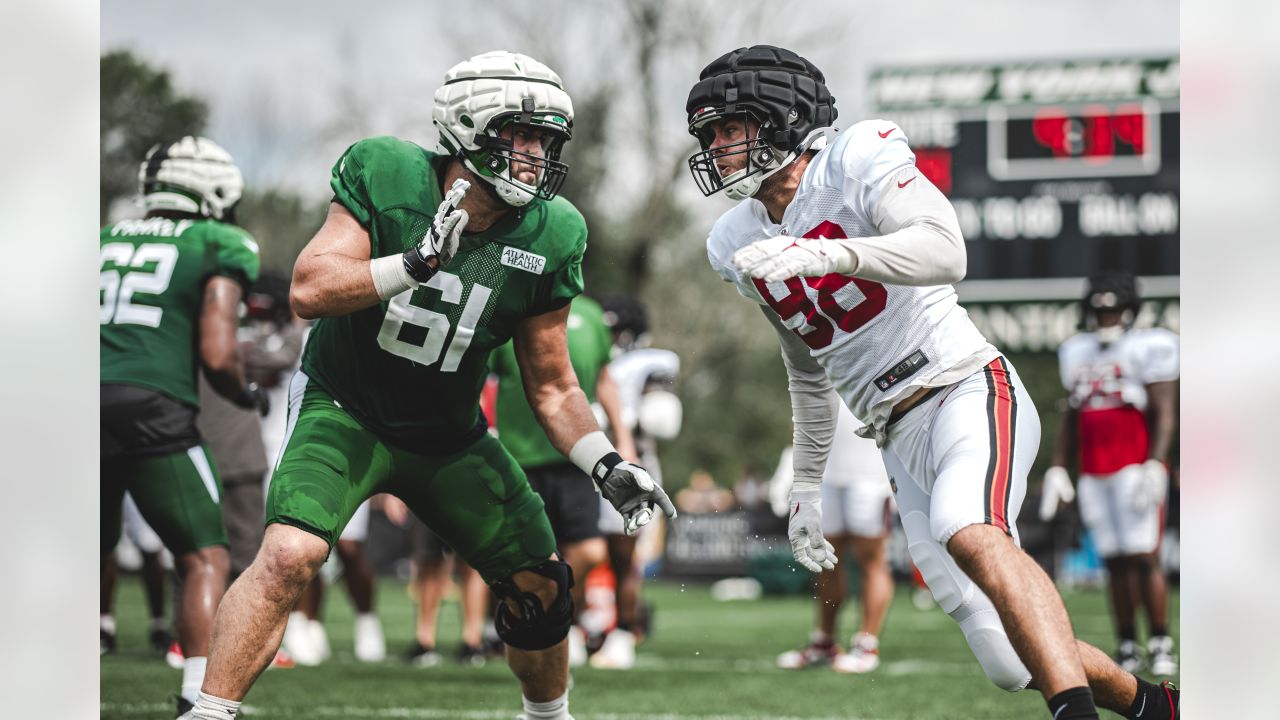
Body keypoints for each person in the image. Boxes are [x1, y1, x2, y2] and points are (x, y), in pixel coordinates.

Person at [687, 45, 1178, 719]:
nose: (715, 148)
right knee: (1010, 662)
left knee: (967, 526)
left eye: (727, 128)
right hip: (892, 432)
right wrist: (805, 486)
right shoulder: (734, 239)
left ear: (781, 118)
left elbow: (948, 251)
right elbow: (808, 369)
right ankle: (1162, 708)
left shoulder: (855, 157)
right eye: (708, 135)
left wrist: (825, 250)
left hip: (961, 388)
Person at [180, 51, 674, 720]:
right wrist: (409, 265)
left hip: (447, 432)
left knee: (541, 585)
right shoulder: (389, 173)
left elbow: (554, 385)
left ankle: (550, 718)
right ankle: (207, 712)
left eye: (546, 140)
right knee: (289, 554)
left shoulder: (556, 232)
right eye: (520, 133)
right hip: (345, 406)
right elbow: (308, 288)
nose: (535, 153)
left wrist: (608, 463)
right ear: (468, 125)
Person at [101, 136, 268, 716]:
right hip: (154, 410)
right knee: (202, 553)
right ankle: (199, 693)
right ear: (217, 191)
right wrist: (244, 393)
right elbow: (219, 352)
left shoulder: (98, 239)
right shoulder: (218, 240)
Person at [1040, 272, 1179, 676]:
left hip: (1134, 465)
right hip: (1094, 471)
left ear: (1131, 311)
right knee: (1114, 560)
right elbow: (1073, 411)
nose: (1106, 319)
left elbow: (1165, 411)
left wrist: (1155, 461)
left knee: (1144, 556)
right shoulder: (1076, 351)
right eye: (1099, 312)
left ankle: (1159, 640)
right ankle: (1127, 644)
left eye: (1114, 310)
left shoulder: (1151, 346)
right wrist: (1058, 467)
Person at [489, 294, 634, 668]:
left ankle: (563, 616)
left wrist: (624, 440)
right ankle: (534, 630)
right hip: (519, 459)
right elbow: (480, 380)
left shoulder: (591, 315)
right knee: (530, 556)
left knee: (588, 552)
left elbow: (604, 378)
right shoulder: (508, 310)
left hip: (574, 456)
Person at [589, 298, 682, 669]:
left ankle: (624, 630)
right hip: (582, 464)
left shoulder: (650, 362)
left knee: (623, 555)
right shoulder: (587, 351)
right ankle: (581, 627)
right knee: (578, 550)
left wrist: (616, 419)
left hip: (630, 466)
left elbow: (663, 420)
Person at [771, 402, 894, 674]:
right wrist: (791, 466)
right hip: (825, 474)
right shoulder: (816, 359)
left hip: (871, 474)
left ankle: (866, 644)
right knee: (824, 556)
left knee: (871, 559)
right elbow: (803, 410)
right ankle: (824, 641)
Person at [101, 493, 174, 657]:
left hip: (135, 475)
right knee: (104, 547)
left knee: (150, 546)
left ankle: (159, 625)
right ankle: (104, 626)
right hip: (105, 473)